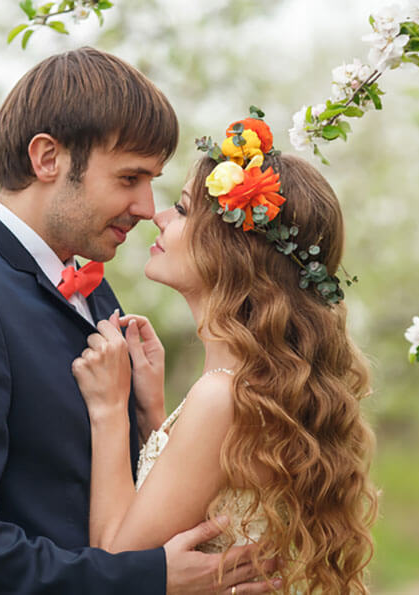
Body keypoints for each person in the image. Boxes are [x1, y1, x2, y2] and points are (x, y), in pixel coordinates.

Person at [0, 48, 276, 594]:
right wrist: (145, 579)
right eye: (130, 178)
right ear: (47, 159)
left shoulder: (91, 287)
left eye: (153, 181)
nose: (145, 206)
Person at [71, 113, 379, 593]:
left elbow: (117, 564)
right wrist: (153, 413)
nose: (159, 215)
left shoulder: (223, 396)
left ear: (234, 247)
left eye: (184, 209)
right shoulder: (251, 385)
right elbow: (202, 495)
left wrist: (109, 408)